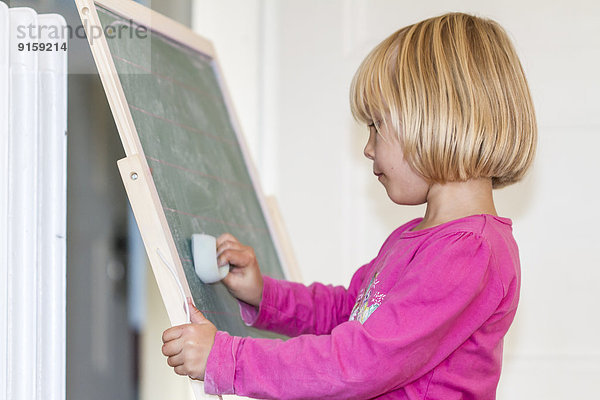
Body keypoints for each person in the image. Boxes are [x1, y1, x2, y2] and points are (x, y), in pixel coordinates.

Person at [161, 12, 537, 399]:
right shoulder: (417, 237)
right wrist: (265, 295)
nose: (368, 147)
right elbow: (348, 315)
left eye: (376, 125)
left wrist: (228, 359)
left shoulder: (468, 252)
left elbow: (358, 363)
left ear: (436, 119)